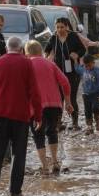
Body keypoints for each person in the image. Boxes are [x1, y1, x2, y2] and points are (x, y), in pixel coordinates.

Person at [0, 37, 42, 196]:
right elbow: (34, 92)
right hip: (21, 117)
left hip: (0, 117)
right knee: (18, 154)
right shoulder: (27, 63)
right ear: (21, 49)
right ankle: (15, 192)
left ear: (7, 49)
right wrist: (38, 116)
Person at [25, 40, 72, 174]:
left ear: (27, 53)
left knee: (38, 135)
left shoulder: (26, 65)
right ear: (41, 52)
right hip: (55, 105)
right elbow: (65, 82)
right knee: (52, 132)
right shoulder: (51, 64)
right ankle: (55, 161)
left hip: (35, 107)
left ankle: (45, 166)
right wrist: (68, 102)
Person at [44, 17, 86, 130]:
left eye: (62, 27)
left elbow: (83, 49)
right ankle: (58, 122)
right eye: (57, 27)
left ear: (67, 27)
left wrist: (77, 54)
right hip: (57, 72)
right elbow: (46, 50)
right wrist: (48, 56)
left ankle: (75, 122)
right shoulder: (53, 38)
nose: (60, 29)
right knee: (59, 98)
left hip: (72, 72)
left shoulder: (73, 36)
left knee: (71, 97)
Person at [75, 54, 99, 135]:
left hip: (95, 94)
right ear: (84, 64)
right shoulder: (83, 70)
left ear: (93, 63)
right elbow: (77, 69)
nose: (88, 67)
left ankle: (98, 127)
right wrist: (75, 60)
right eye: (86, 66)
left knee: (96, 109)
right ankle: (89, 127)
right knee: (87, 111)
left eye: (89, 65)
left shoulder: (97, 71)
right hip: (86, 94)